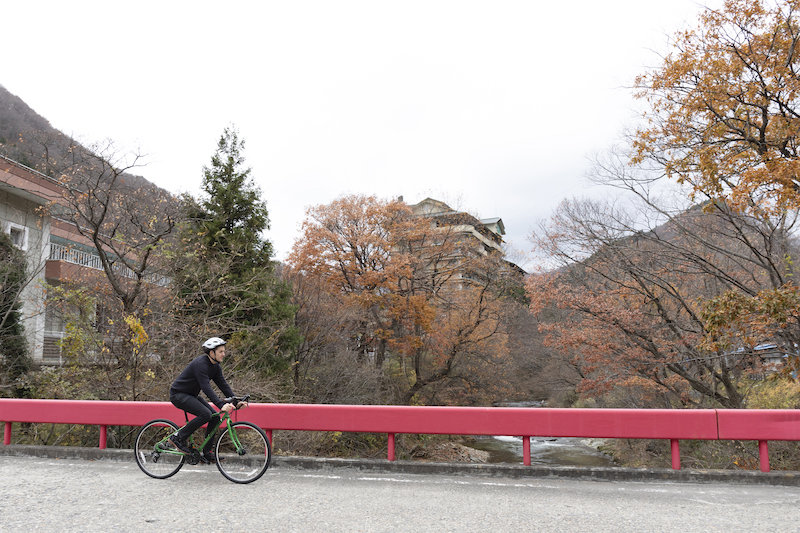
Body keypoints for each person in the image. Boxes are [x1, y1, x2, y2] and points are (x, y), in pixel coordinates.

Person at [169, 337, 246, 463]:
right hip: (178, 394)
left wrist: (236, 402)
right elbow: (206, 388)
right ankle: (178, 438)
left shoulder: (216, 367)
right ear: (211, 353)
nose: (223, 354)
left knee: (215, 417)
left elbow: (223, 385)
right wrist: (221, 404)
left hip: (191, 395)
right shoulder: (201, 364)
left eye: (224, 351)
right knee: (206, 414)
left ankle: (207, 452)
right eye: (220, 351)